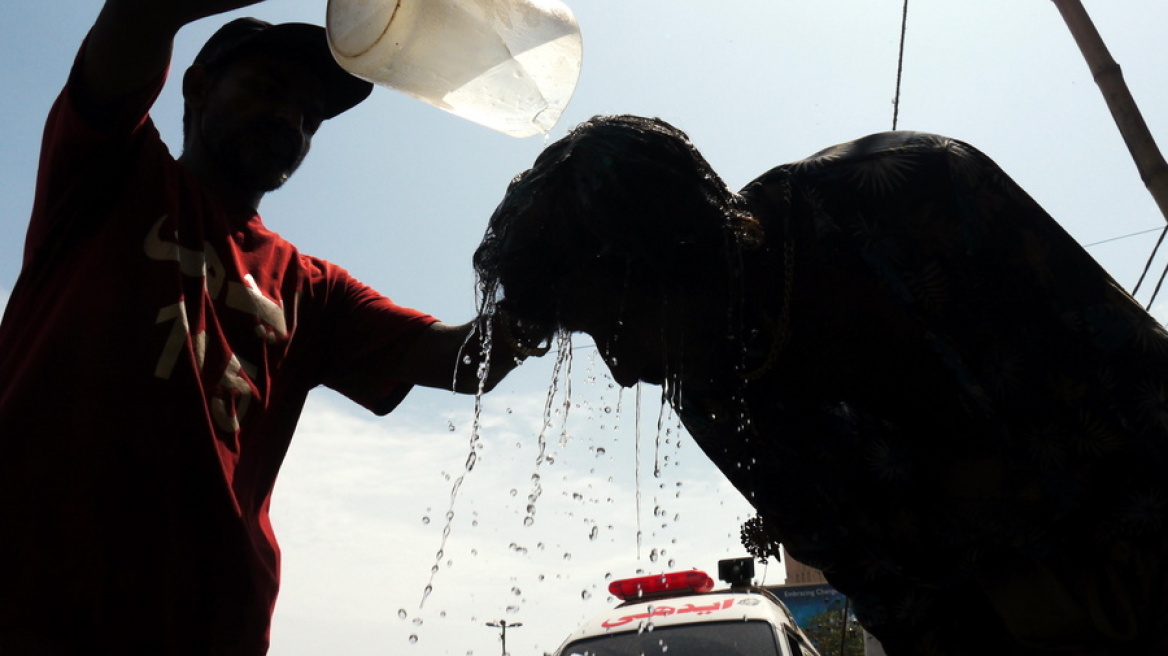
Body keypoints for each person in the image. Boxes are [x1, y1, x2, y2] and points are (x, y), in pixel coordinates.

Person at [473, 114, 1168, 655]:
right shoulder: (712, 391)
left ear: (678, 256)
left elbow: (1141, 386)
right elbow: (891, 595)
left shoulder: (904, 193)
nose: (622, 371)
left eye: (616, 324)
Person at [0, 1, 533, 653]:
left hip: (209, 629)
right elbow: (141, 14)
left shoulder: (314, 289)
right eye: (268, 89)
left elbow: (466, 360)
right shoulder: (110, 170)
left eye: (310, 116)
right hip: (29, 608)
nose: (290, 119)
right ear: (197, 88)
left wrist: (552, 281)